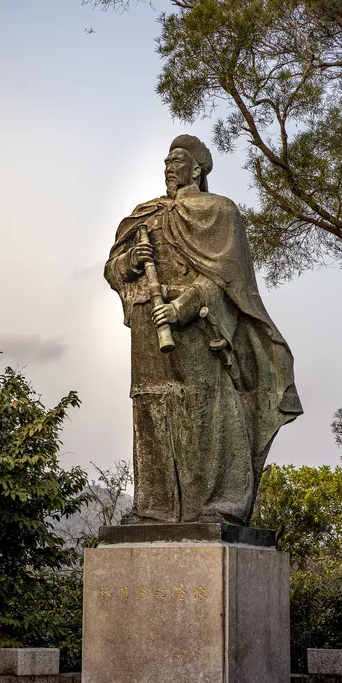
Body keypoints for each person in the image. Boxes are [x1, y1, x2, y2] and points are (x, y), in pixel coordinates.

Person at [104, 135, 302, 525]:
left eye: (177, 160)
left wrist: (184, 306)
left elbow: (230, 279)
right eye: (166, 161)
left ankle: (220, 503)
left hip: (197, 325)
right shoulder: (144, 215)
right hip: (148, 322)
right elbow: (113, 271)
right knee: (150, 405)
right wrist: (130, 261)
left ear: (197, 168)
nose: (169, 167)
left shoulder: (220, 212)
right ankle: (154, 508)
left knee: (206, 408)